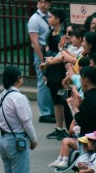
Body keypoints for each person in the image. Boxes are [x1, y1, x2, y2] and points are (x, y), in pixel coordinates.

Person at [49, 66, 96, 169]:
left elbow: (82, 121)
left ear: (86, 80)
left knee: (84, 166)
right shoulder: (95, 95)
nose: (80, 81)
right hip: (95, 138)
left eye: (81, 78)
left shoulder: (89, 99)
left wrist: (75, 108)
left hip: (88, 140)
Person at [0, 65, 38, 173]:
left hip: (3, 140)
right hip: (16, 140)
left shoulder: (1, 96)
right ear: (18, 79)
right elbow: (27, 122)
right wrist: (34, 140)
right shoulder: (19, 98)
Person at [27, 0, 55, 122]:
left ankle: (51, 110)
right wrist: (42, 58)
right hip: (41, 52)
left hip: (50, 52)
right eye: (40, 2)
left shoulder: (50, 17)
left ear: (50, 4)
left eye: (45, 2)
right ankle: (44, 113)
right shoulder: (34, 19)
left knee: (51, 81)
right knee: (43, 82)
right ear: (37, 3)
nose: (43, 5)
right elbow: (35, 42)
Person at [42, 8, 68, 139]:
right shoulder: (49, 34)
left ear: (58, 19)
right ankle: (58, 127)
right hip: (52, 70)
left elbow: (62, 54)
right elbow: (46, 53)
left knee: (63, 100)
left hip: (62, 70)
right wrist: (45, 71)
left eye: (50, 17)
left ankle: (66, 129)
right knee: (56, 100)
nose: (48, 19)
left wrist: (51, 55)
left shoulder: (64, 34)